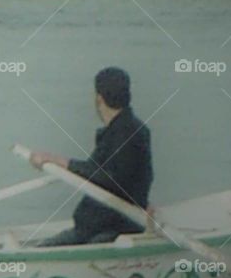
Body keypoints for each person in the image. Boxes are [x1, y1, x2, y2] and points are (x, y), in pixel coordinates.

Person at [30, 67, 152, 246]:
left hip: (112, 228)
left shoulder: (127, 132)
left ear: (99, 98)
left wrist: (61, 162)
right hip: (98, 225)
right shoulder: (124, 130)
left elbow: (110, 178)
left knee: (44, 248)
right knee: (44, 245)